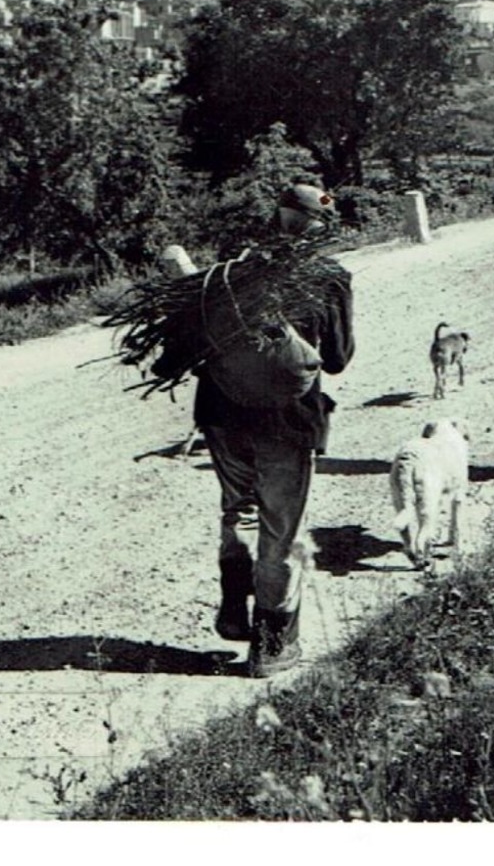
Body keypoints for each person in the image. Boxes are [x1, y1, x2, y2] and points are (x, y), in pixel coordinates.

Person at [155, 183, 354, 678]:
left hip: (222, 414)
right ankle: (270, 647)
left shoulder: (232, 269)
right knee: (281, 533)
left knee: (238, 510)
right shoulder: (327, 276)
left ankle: (231, 604)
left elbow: (181, 347)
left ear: (278, 217)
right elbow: (338, 358)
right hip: (288, 420)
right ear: (319, 227)